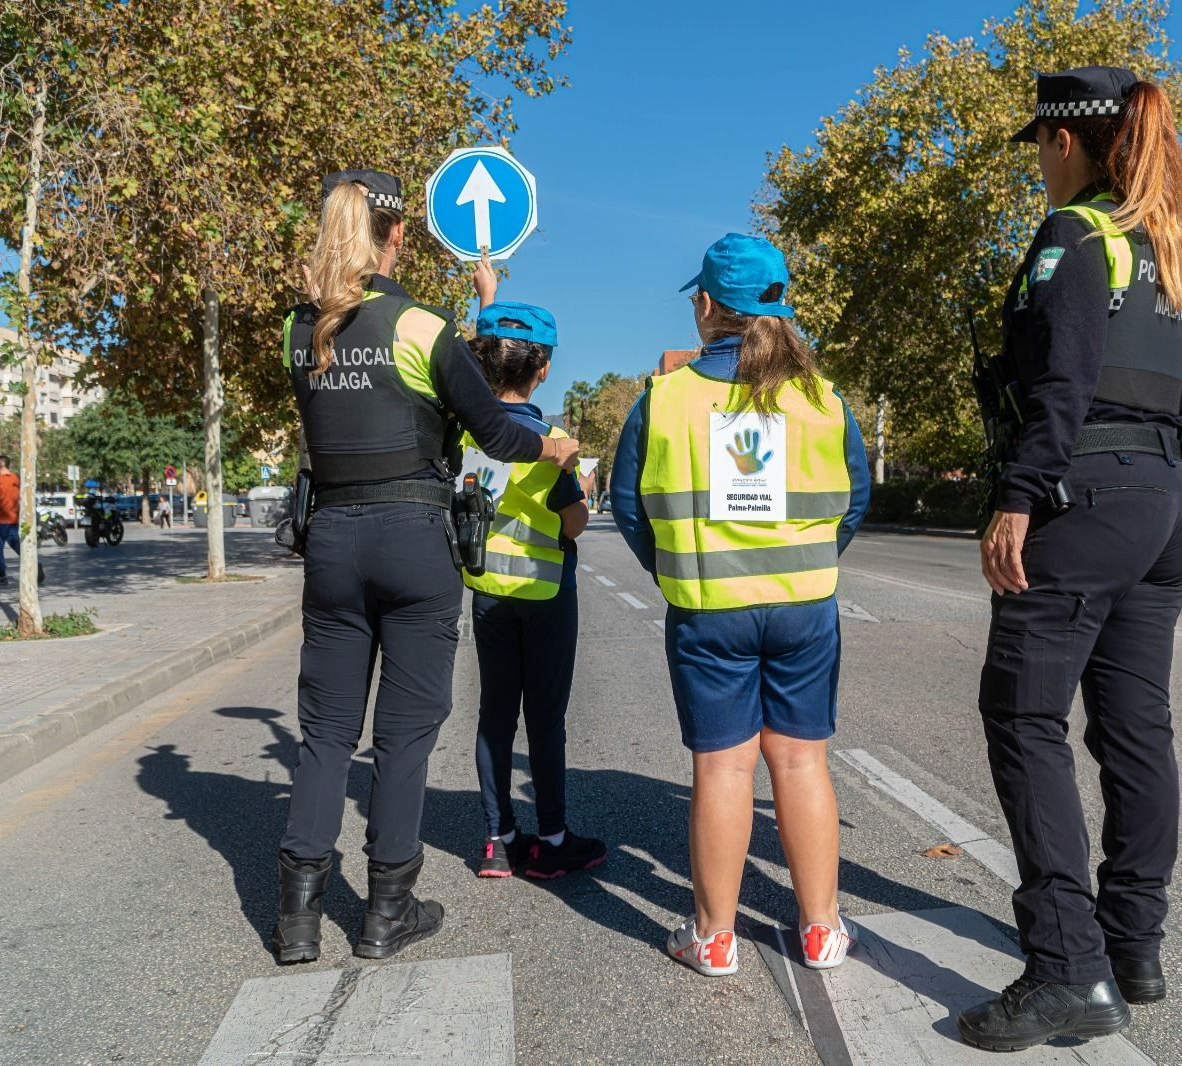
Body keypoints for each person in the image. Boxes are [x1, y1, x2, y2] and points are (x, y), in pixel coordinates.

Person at [960, 67, 1182, 1052]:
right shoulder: (1164, 247)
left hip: (1090, 495)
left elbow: (1063, 382)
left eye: (1037, 143)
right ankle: (1130, 944)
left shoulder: (1073, 238)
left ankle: (1068, 970)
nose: (1035, 161)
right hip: (1164, 499)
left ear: (1063, 143)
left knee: (1024, 718)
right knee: (1133, 726)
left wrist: (1017, 497)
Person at [272, 169, 581, 966]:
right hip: (414, 540)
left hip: (332, 537)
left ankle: (297, 915)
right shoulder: (419, 327)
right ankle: (386, 910)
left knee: (325, 731)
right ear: (398, 233)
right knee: (404, 737)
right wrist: (546, 445)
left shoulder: (297, 331)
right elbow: (489, 423)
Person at [611, 234, 871, 977]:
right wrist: (810, 562)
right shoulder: (824, 399)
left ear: (705, 307)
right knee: (801, 762)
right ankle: (822, 929)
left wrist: (676, 572)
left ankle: (714, 937)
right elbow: (854, 499)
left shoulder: (666, 398)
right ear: (781, 304)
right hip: (804, 608)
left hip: (708, 608)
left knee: (722, 771)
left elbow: (628, 505)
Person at [463, 260, 605, 880]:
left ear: (483, 360)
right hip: (547, 594)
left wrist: (488, 300)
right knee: (544, 717)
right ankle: (550, 837)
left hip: (488, 590)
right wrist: (581, 483)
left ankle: (497, 840)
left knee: (496, 713)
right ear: (543, 368)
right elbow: (573, 525)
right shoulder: (553, 439)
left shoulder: (465, 432)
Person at [0, 454, 42, 586]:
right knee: (17, 547)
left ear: (1, 464)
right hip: (14, 521)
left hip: (0, 522)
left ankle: (1, 576)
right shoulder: (16, 479)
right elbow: (22, 500)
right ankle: (35, 565)